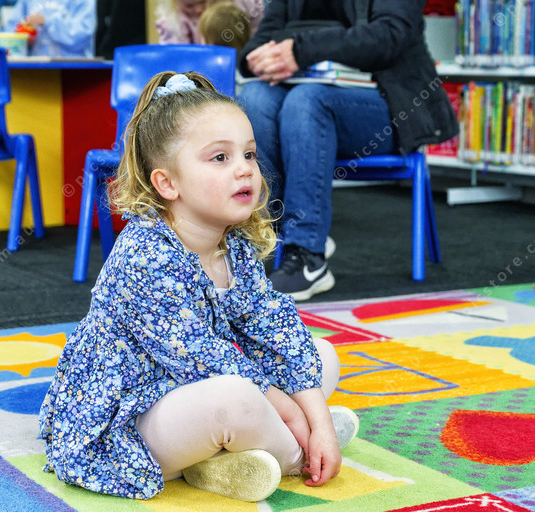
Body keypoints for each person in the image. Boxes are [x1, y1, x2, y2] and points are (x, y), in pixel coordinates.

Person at [39, 71, 360, 501]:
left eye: (249, 154)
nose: (245, 169)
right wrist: (300, 422)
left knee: (322, 355)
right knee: (235, 397)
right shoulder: (145, 253)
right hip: (130, 419)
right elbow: (203, 359)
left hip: (195, 391)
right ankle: (296, 455)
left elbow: (275, 329)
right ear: (167, 183)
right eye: (220, 158)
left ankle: (224, 460)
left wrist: (318, 419)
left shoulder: (235, 244)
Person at [237, 0, 459, 301]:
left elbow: (391, 35)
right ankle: (261, 239)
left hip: (390, 106)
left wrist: (302, 50)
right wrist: (256, 60)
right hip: (300, 107)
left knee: (306, 102)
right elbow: (265, 36)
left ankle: (307, 253)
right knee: (254, 97)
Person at [4, 0, 96, 58]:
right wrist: (22, 39)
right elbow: (11, 30)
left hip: (73, 70)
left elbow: (83, 34)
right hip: (33, 70)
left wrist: (47, 22)